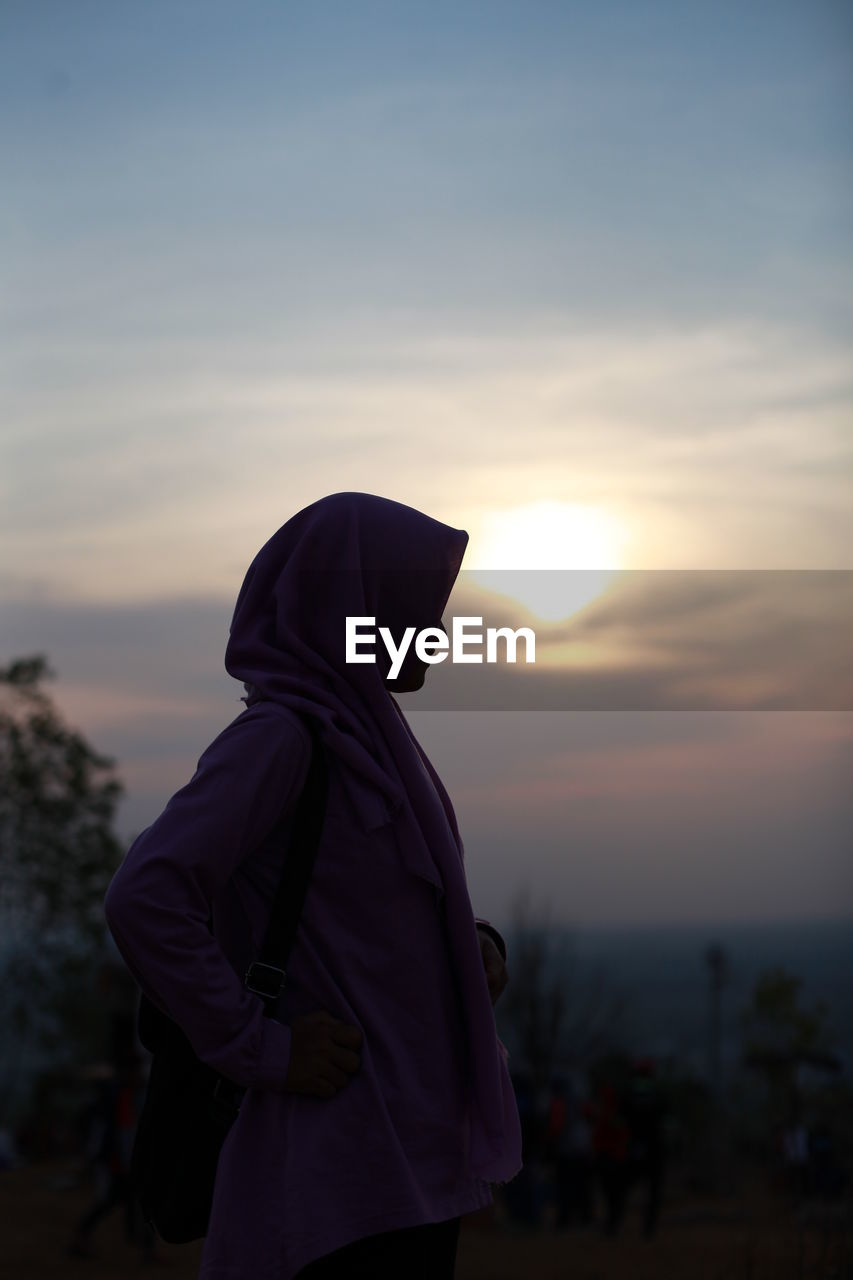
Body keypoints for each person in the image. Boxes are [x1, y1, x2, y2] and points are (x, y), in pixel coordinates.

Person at [103, 492, 522, 1280]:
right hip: (333, 1182)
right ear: (348, 608)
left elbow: (372, 907)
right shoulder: (282, 739)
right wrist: (257, 1046)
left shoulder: (371, 737)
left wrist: (473, 948)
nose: (431, 631)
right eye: (408, 608)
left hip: (411, 1165)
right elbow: (144, 896)